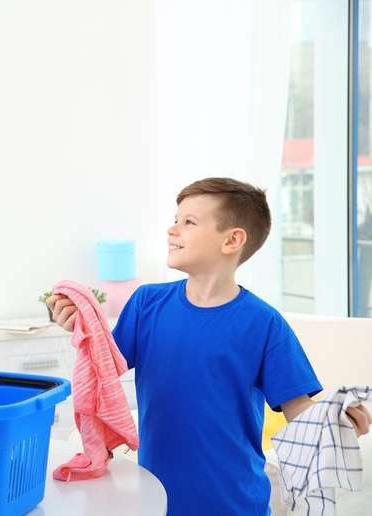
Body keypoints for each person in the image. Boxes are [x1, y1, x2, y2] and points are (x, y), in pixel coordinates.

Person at [47, 177, 371, 515]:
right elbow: (102, 364)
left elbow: (298, 408)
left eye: (188, 222)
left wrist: (338, 418)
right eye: (175, 220)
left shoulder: (264, 323)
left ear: (232, 240)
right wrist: (79, 321)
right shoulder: (146, 304)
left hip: (236, 503)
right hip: (157, 499)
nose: (172, 230)